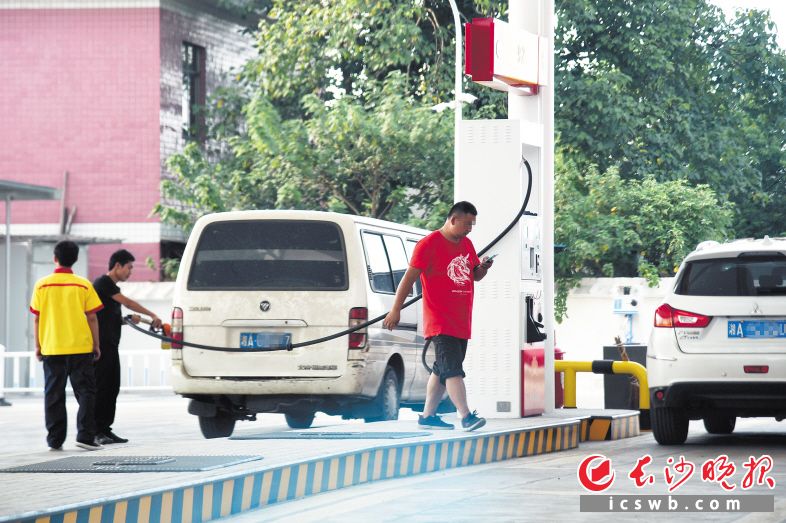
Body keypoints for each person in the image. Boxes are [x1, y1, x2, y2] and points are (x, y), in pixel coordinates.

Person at [383, 201, 493, 431]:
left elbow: (474, 276)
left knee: (441, 369)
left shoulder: (467, 244)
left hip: (461, 320)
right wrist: (396, 309)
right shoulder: (428, 245)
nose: (470, 228)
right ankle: (466, 416)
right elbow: (408, 279)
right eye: (466, 224)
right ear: (453, 220)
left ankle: (427, 416)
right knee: (452, 368)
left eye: (472, 224)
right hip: (440, 320)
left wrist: (483, 267)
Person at [29, 240, 104, 450]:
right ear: (76, 259)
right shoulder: (83, 284)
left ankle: (55, 440)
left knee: (53, 394)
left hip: (52, 348)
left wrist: (38, 345)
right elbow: (92, 318)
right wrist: (96, 344)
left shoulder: (42, 285)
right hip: (80, 348)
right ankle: (85, 437)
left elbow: (37, 318)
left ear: (55, 258)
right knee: (86, 392)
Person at [92, 249, 162, 444]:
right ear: (117, 266)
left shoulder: (111, 289)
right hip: (101, 347)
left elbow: (107, 317)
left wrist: (127, 320)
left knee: (111, 387)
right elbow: (129, 303)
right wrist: (153, 316)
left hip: (111, 345)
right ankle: (96, 430)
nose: (130, 272)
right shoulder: (103, 283)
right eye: (129, 267)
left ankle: (105, 429)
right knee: (102, 387)